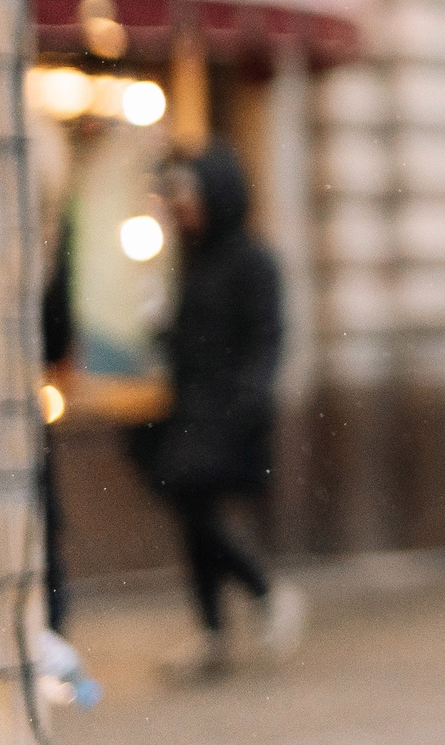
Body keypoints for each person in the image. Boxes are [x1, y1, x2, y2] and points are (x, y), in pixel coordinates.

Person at [139, 142, 303, 679]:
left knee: (196, 511)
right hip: (191, 408)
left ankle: (257, 597)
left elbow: (266, 336)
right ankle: (221, 623)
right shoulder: (189, 261)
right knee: (193, 515)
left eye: (188, 191)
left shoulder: (253, 260)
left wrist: (249, 400)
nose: (181, 203)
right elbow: (192, 342)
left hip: (229, 411)